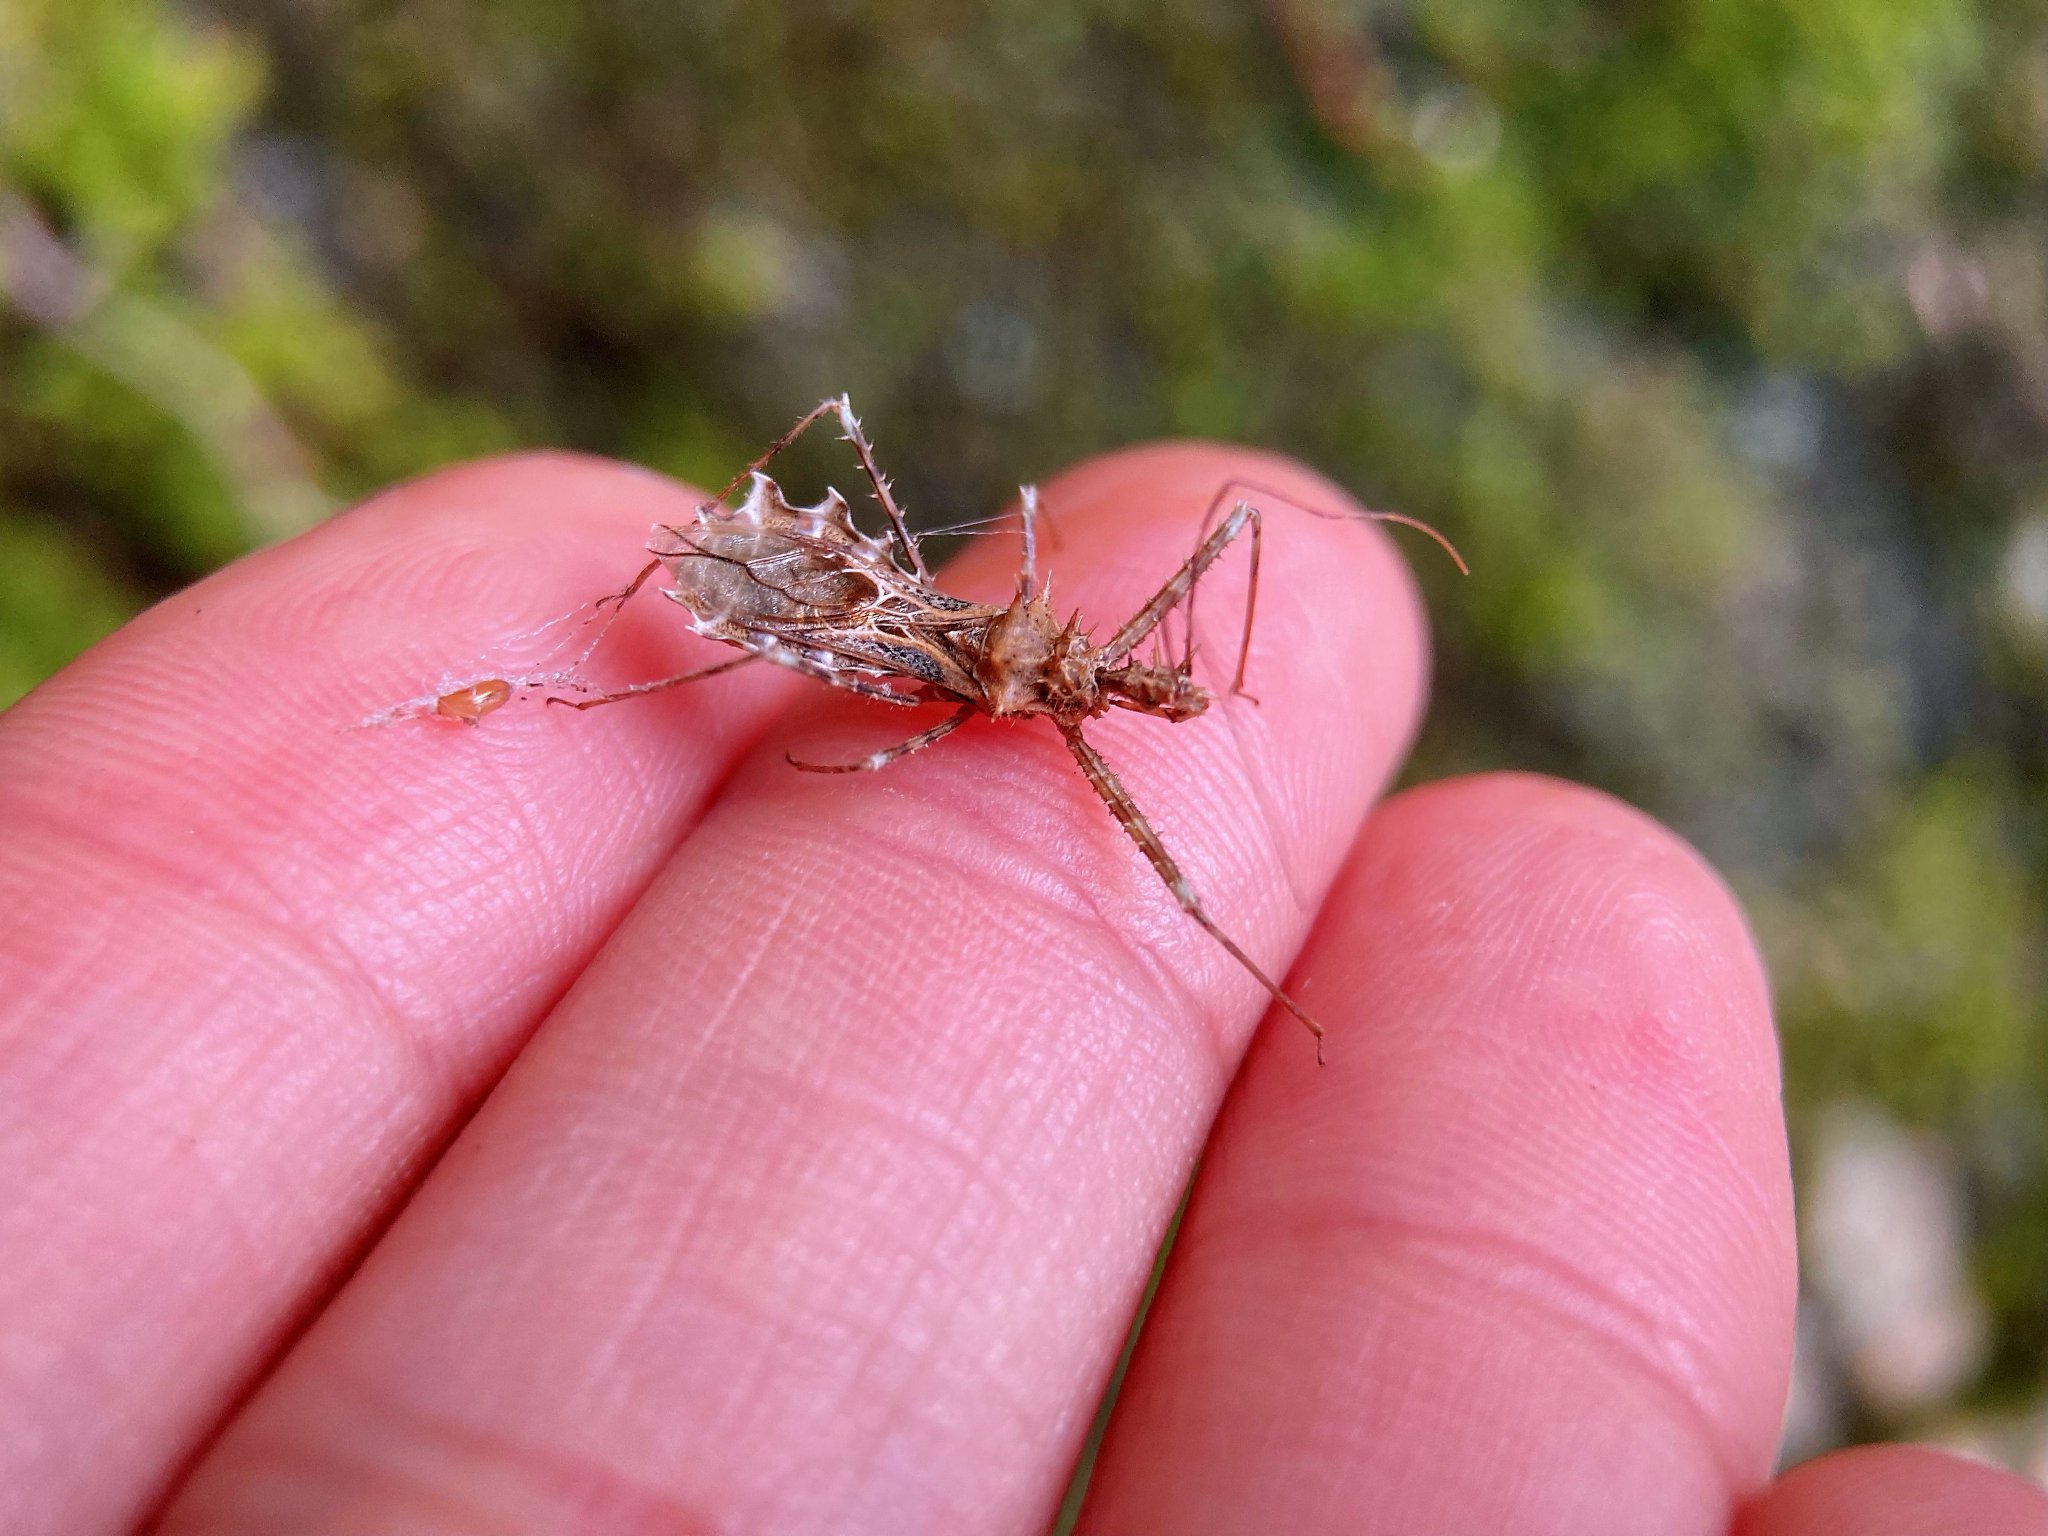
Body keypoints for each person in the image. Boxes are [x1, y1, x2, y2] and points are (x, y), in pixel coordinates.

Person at [1, 444, 2041, 1535]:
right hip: (896, 646)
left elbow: (1207, 575)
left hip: (932, 653)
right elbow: (1073, 710)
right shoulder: (1030, 697)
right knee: (881, 582)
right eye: (1140, 681)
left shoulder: (1094, 687)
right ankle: (631, 645)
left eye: (1142, 682)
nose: (1148, 697)